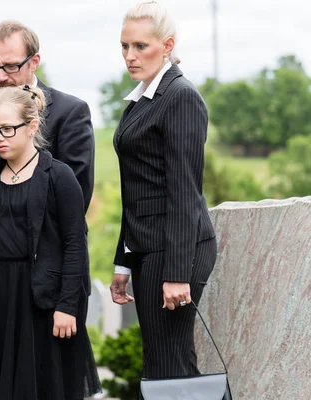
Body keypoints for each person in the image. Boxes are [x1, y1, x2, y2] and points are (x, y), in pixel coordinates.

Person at [0, 85, 101, 400]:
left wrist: (67, 307)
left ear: (32, 126)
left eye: (8, 129)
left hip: (44, 301)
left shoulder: (59, 177)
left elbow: (75, 244)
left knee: (46, 386)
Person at [108, 0, 218, 389]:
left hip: (174, 253)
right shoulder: (139, 100)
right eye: (124, 46)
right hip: (146, 250)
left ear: (168, 45)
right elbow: (133, 190)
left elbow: (184, 193)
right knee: (164, 366)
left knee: (168, 369)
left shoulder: (181, 96)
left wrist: (176, 274)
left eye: (141, 46)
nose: (130, 56)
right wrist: (123, 263)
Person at [0, 20, 95, 239]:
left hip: (52, 253)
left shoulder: (70, 112)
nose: (2, 76)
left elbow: (76, 193)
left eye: (11, 66)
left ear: (34, 62)